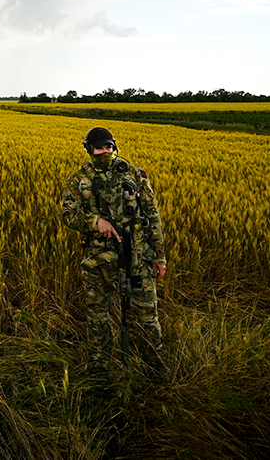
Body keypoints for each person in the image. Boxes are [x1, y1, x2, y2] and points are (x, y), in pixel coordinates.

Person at [60, 126, 167, 375]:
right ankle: (100, 370)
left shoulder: (135, 175)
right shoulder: (78, 180)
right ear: (89, 150)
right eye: (99, 148)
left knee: (147, 316)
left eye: (108, 147)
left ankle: (155, 370)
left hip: (137, 257)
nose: (104, 152)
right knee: (97, 316)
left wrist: (159, 256)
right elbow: (68, 214)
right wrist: (94, 222)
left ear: (114, 147)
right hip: (98, 262)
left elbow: (153, 216)